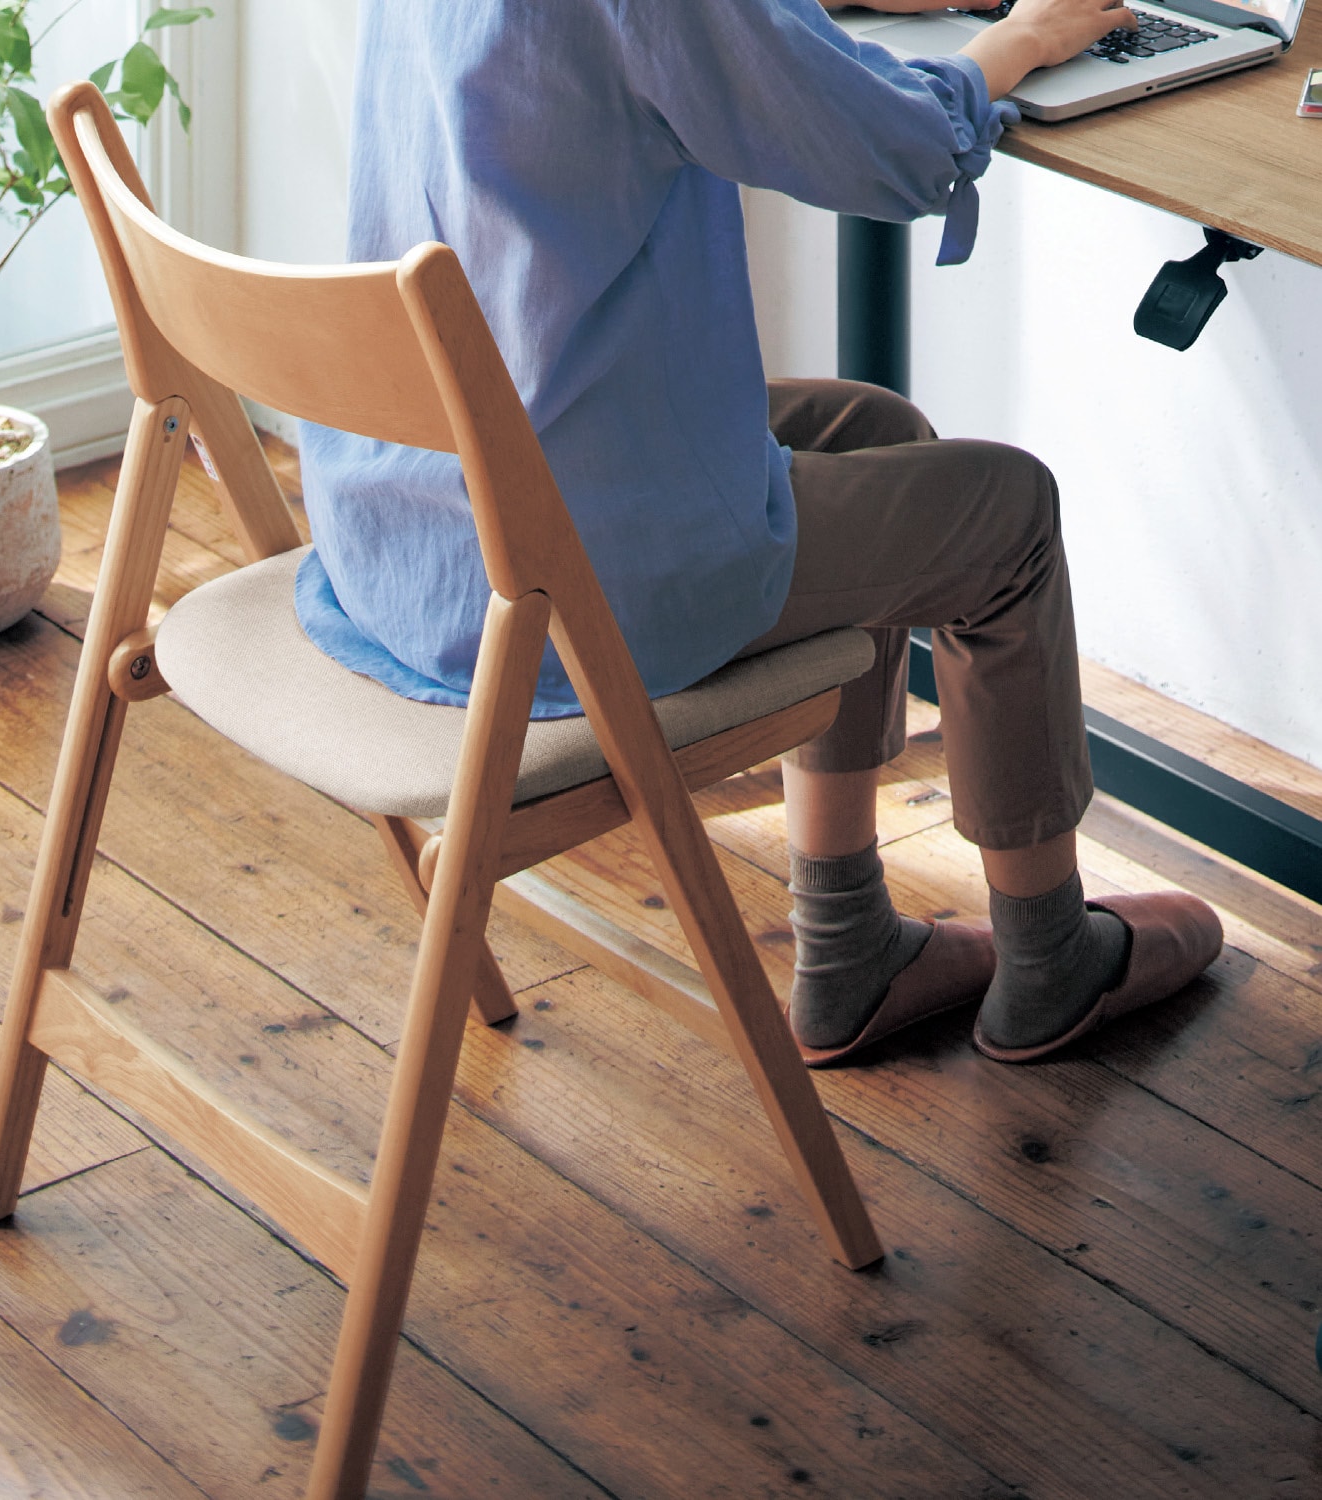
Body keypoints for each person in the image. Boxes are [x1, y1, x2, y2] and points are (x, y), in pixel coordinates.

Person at [297, 0, 1224, 1065]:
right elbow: (893, 147)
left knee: (877, 435)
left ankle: (849, 948)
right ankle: (1053, 961)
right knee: (1007, 516)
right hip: (566, 580)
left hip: (418, 511)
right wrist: (1026, 37)